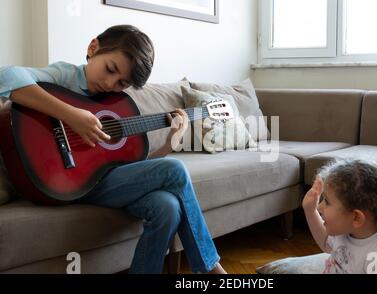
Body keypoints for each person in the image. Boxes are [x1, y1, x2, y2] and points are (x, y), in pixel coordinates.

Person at [0, 25, 227, 274]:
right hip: (63, 180)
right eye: (110, 68)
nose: (109, 83)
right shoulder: (64, 77)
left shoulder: (117, 105)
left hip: (103, 183)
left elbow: (128, 169)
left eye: (122, 83)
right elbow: (6, 76)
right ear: (93, 48)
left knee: (168, 207)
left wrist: (168, 144)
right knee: (174, 168)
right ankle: (210, 269)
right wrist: (72, 115)